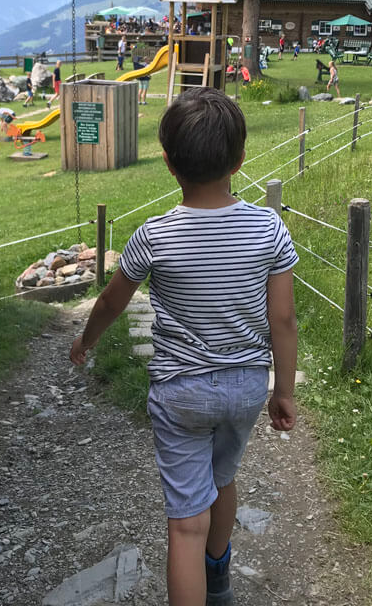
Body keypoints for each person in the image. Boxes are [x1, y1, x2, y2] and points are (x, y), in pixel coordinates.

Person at [70, 88, 298, 606]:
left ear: (169, 164)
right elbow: (282, 318)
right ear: (240, 160)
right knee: (224, 477)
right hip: (244, 388)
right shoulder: (269, 228)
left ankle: (204, 569)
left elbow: (109, 302)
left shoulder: (154, 235)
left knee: (185, 525)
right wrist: (282, 389)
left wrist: (85, 340)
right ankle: (219, 577)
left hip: (180, 393)